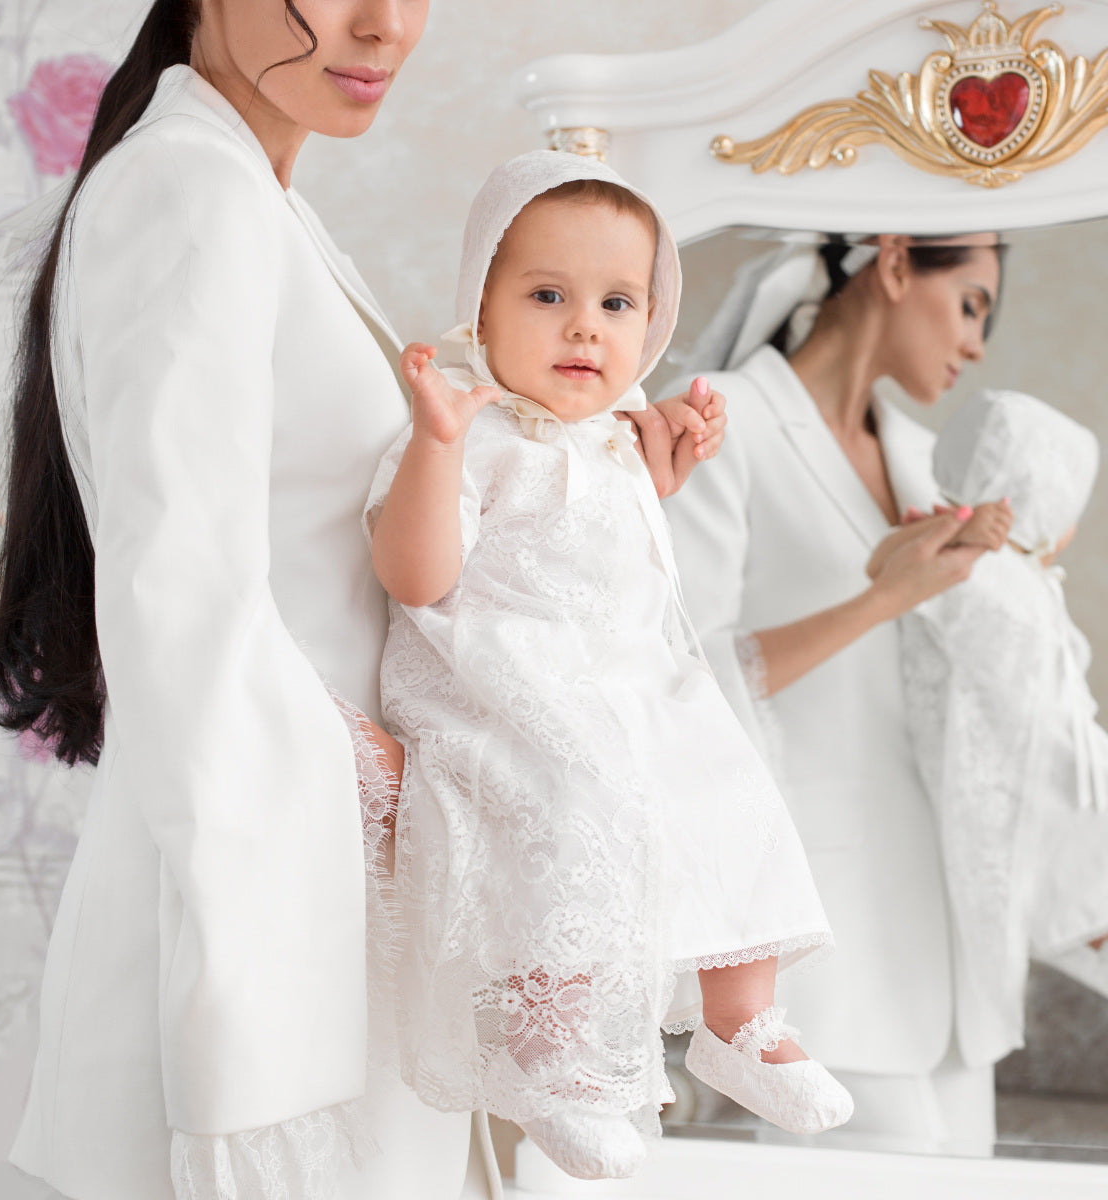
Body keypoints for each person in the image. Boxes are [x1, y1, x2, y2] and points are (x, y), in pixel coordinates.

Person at [0, 4, 723, 1197]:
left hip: (333, 874)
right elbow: (176, 586)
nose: (384, 25)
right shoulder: (192, 190)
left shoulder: (256, 198)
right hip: (274, 874)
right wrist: (386, 776)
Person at [364, 150, 852, 1183]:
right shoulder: (471, 432)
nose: (586, 325)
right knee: (574, 798)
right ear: (480, 309)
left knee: (728, 778)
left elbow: (610, 550)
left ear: (653, 322)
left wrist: (666, 469)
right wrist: (436, 445)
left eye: (619, 301)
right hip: (504, 688)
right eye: (548, 295)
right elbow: (416, 576)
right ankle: (552, 1060)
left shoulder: (615, 447)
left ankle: (740, 1019)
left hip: (626, 680)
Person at [662, 234, 1010, 1156]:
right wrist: (884, 598)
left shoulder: (924, 463)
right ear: (894, 263)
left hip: (937, 933)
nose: (976, 343)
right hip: (816, 916)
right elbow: (679, 678)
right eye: (971, 302)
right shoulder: (721, 418)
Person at [877, 389, 1108, 1042]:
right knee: (1105, 820)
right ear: (1034, 500)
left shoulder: (1021, 574)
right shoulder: (970, 562)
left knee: (1105, 821)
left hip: (1050, 733)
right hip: (1015, 738)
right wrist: (953, 532)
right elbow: (890, 571)